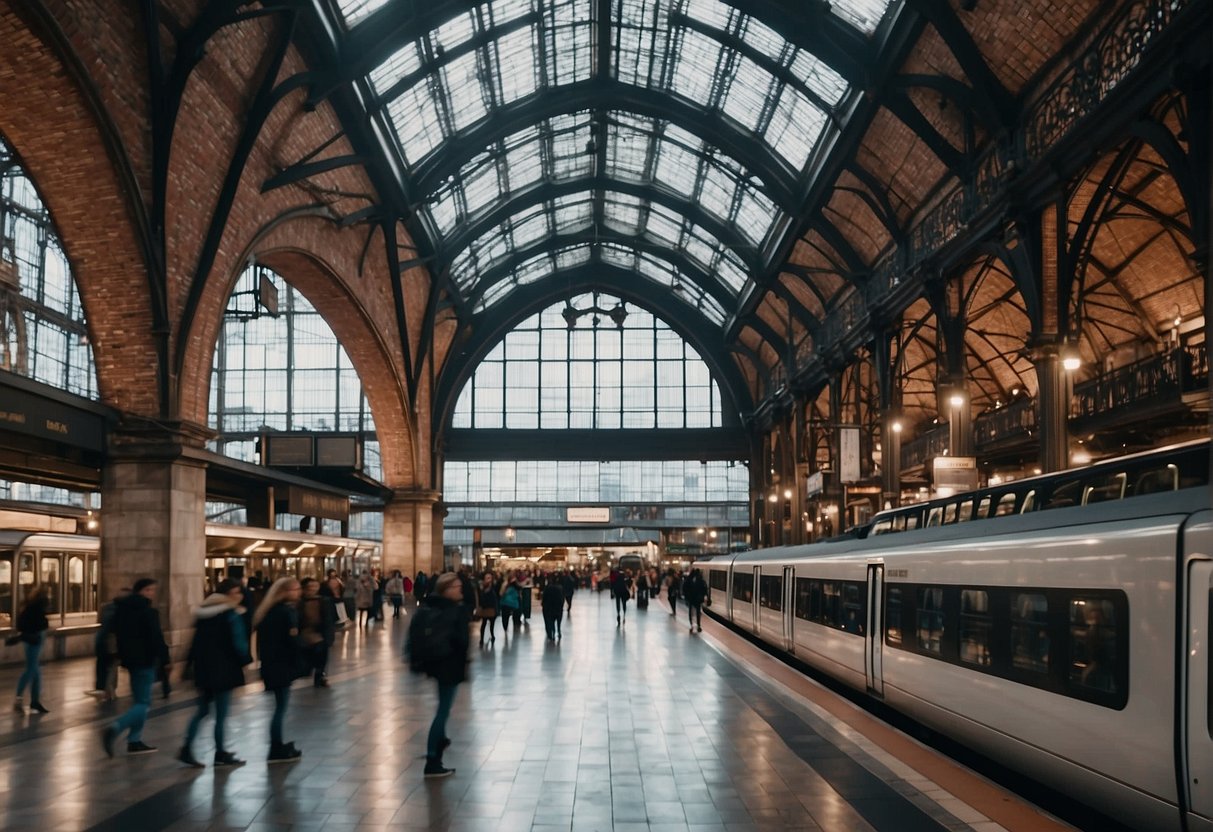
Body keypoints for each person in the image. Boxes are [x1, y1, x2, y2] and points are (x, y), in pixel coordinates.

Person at [177, 579, 250, 768]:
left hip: (204, 668)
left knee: (202, 711)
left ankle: (186, 748)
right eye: (235, 592)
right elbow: (239, 643)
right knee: (221, 714)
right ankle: (220, 753)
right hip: (225, 669)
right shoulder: (231, 615)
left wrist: (188, 666)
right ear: (226, 595)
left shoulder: (203, 613)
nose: (239, 596)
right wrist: (245, 661)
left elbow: (194, 642)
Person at [405, 572, 469, 778]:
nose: (460, 590)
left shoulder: (429, 606)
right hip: (450, 666)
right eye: (456, 587)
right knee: (442, 711)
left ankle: (440, 742)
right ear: (446, 590)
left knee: (442, 708)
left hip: (435, 664)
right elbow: (461, 642)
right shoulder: (454, 610)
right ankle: (433, 759)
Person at [102, 578, 169, 757]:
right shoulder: (149, 612)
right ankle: (116, 727)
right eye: (148, 590)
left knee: (140, 701)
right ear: (140, 591)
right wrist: (165, 659)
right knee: (144, 703)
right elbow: (156, 638)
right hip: (145, 660)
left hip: (130, 661)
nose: (151, 594)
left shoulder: (121, 610)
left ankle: (134, 740)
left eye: (152, 590)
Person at [254, 577, 306, 763]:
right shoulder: (286, 612)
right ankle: (276, 747)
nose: (298, 592)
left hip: (271, 665)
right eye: (294, 589)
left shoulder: (267, 612)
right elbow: (292, 640)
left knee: (279, 707)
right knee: (280, 708)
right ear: (284, 592)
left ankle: (277, 745)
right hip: (282, 666)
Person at [13, 585, 50, 714]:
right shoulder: (40, 605)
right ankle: (19, 698)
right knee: (31, 670)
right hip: (35, 639)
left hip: (29, 639)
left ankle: (35, 701)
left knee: (36, 672)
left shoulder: (28, 605)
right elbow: (42, 623)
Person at [88, 588, 126, 701]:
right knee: (112, 666)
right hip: (112, 643)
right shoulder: (121, 610)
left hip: (102, 641)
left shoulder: (105, 607)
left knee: (104, 665)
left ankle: (105, 689)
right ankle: (109, 691)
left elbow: (100, 622)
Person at [299, 577, 336, 687]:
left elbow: (329, 619)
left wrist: (329, 636)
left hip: (319, 634)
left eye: (315, 586)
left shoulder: (324, 601)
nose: (313, 589)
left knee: (322, 656)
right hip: (305, 634)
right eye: (310, 587)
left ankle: (320, 676)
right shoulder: (299, 603)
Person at [476, 573, 499, 646]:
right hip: (485, 608)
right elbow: (480, 597)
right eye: (487, 578)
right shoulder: (482, 587)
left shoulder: (494, 586)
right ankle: (482, 639)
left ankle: (492, 635)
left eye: (490, 578)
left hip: (492, 608)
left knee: (492, 624)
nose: (489, 579)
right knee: (484, 623)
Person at [684, 568, 707, 634]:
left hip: (691, 599)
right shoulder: (701, 580)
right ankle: (698, 625)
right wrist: (703, 596)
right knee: (697, 613)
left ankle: (692, 625)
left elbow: (685, 588)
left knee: (691, 613)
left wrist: (687, 597)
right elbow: (704, 589)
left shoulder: (688, 580)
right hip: (698, 599)